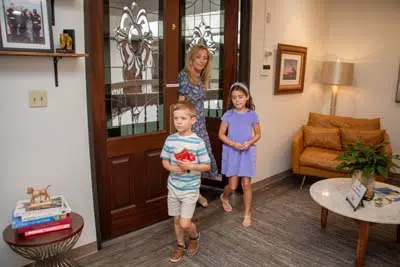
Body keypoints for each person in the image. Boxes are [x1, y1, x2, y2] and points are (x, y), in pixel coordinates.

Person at [160, 100, 211, 263]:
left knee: (184, 222)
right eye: (176, 119)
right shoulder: (170, 140)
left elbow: (207, 165)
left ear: (193, 120)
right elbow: (165, 161)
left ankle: (194, 236)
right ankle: (180, 245)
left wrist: (191, 165)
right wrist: (172, 168)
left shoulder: (198, 142)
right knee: (176, 220)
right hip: (173, 187)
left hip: (190, 189)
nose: (179, 122)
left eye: (183, 118)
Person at [178, 43, 219, 208]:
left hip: (200, 124)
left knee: (201, 161)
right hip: (189, 126)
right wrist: (182, 127)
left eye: (205, 58)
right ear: (192, 58)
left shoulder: (202, 78)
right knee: (189, 162)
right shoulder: (184, 75)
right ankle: (195, 195)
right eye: (198, 57)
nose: (202, 61)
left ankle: (195, 193)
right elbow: (180, 102)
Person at [218, 82, 261, 227]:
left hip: (247, 152)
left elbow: (258, 134)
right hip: (232, 152)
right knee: (233, 186)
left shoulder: (252, 115)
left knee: (246, 184)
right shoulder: (228, 115)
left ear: (247, 97)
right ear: (231, 99)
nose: (238, 100)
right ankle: (224, 197)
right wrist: (233, 144)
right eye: (234, 97)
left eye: (241, 97)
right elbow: (221, 135)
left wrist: (249, 142)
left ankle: (248, 214)